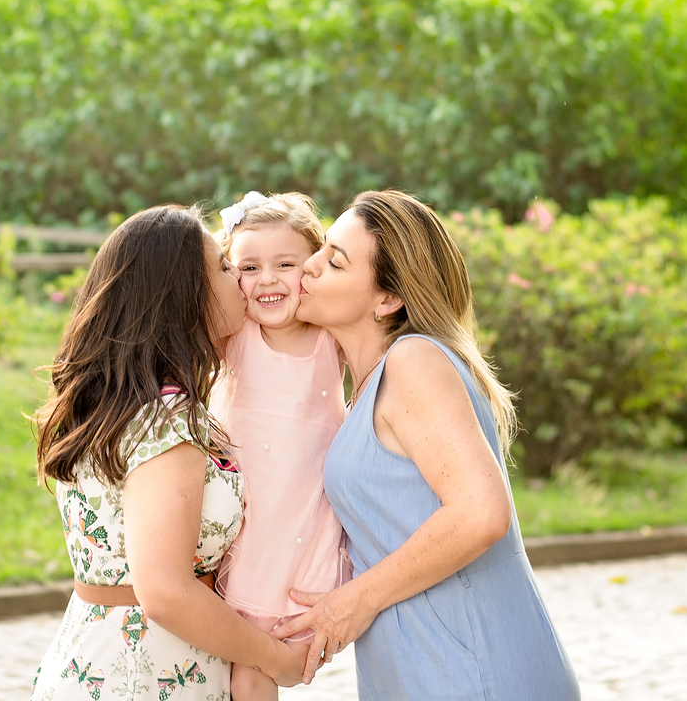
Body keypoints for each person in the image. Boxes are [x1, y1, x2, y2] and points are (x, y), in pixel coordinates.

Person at [274, 190, 580, 701]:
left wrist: (355, 601)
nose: (309, 266)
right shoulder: (371, 383)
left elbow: (482, 513)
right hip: (426, 668)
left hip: (472, 669)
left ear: (387, 299)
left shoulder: (413, 361)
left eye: (334, 260)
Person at [30, 205, 308, 701]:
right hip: (148, 675)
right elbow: (165, 591)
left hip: (95, 661)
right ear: (185, 295)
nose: (240, 282)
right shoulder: (166, 418)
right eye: (225, 267)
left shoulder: (119, 402)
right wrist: (274, 656)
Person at [209, 192, 349, 701]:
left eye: (285, 264)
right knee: (236, 669)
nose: (267, 279)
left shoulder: (332, 335)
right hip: (246, 531)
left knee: (258, 667)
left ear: (311, 268)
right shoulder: (232, 334)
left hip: (302, 532)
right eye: (248, 267)